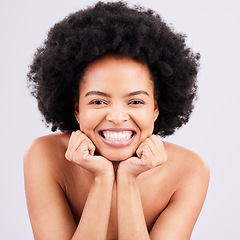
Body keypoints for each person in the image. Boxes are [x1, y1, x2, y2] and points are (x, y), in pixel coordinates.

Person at [24, 1, 210, 239]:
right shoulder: (44, 156)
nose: (117, 117)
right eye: (98, 102)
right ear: (77, 110)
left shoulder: (190, 171)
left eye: (135, 102)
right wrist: (102, 179)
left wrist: (128, 180)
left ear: (155, 109)